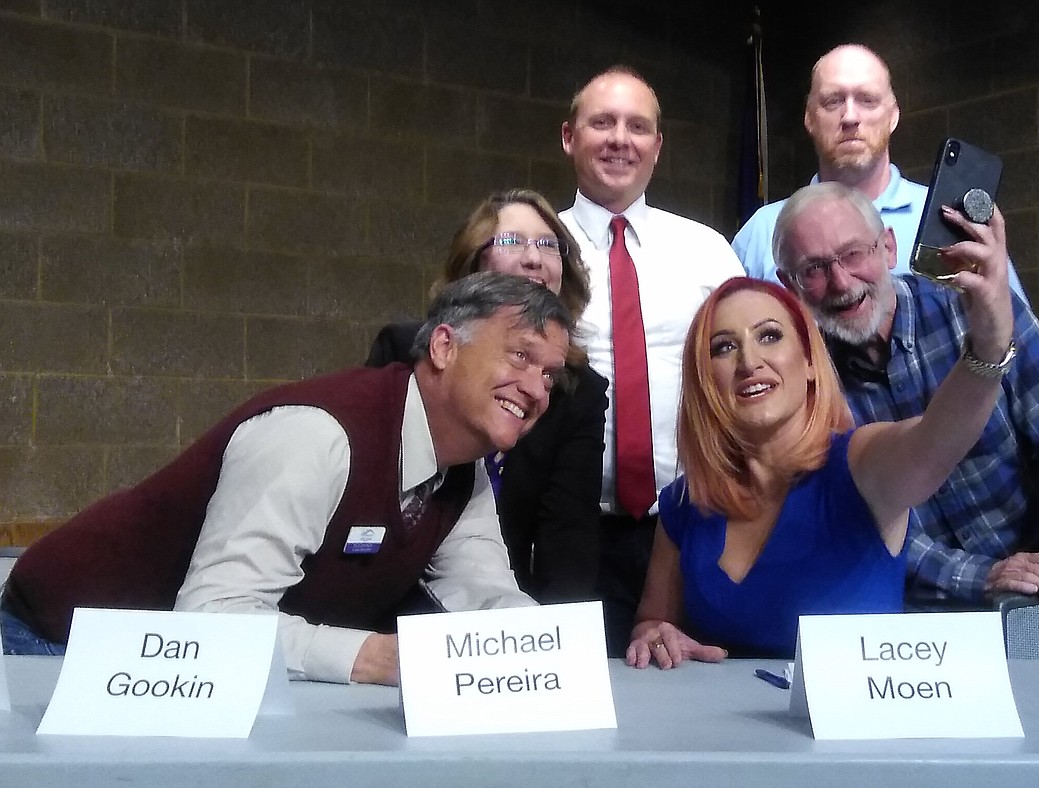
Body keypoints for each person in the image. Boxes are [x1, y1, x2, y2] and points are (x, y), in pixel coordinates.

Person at [2, 273, 572, 685]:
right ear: (445, 346)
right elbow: (213, 622)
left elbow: (488, 599)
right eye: (520, 356)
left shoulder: (463, 476)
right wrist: (372, 657)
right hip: (62, 644)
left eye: (550, 375)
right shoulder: (316, 435)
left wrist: (546, 654)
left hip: (188, 681)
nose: (537, 389)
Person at [627, 182, 1015, 667]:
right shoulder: (686, 502)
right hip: (723, 740)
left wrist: (989, 345)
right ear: (705, 378)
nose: (750, 361)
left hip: (859, 736)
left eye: (770, 337)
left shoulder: (858, 464)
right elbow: (652, 623)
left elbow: (938, 439)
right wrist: (655, 637)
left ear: (810, 361)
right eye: (723, 347)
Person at [772, 182, 1039, 638]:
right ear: (788, 285)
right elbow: (862, 520)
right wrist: (986, 576)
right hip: (929, 612)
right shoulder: (805, 383)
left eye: (854, 254)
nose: (841, 282)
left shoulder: (974, 309)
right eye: (814, 268)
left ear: (889, 248)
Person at [559, 65, 745, 654]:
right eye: (602, 123)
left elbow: (754, 373)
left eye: (638, 126)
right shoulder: (539, 249)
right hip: (568, 531)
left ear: (657, 148)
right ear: (569, 137)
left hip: (689, 528)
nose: (620, 139)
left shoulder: (705, 250)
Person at [366, 189, 608, 604]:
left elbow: (568, 540)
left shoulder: (580, 390)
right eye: (512, 241)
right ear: (473, 262)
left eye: (549, 245)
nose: (534, 258)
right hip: (385, 595)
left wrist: (558, 643)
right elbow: (368, 494)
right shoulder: (407, 350)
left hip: (501, 611)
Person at [733, 43, 1027, 299]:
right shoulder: (762, 232)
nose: (850, 117)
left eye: (867, 100)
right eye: (833, 101)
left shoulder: (951, 220)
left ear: (893, 116)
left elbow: (1018, 340)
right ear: (809, 118)